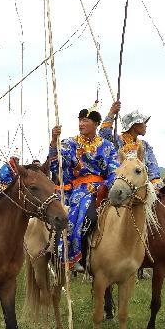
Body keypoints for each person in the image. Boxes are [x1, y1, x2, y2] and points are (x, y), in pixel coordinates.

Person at [49, 103, 119, 271]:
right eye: (80, 120)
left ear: (96, 124)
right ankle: (72, 253)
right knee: (78, 211)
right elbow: (56, 165)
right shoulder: (70, 143)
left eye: (85, 120)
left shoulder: (107, 146)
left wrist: (106, 186)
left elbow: (114, 171)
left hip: (102, 188)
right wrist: (54, 141)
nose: (81, 124)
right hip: (79, 189)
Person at [100, 102, 162, 186]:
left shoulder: (145, 146)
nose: (145, 126)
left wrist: (156, 185)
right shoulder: (116, 141)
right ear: (134, 126)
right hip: (119, 185)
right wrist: (112, 113)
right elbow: (104, 134)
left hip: (141, 186)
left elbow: (152, 167)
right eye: (144, 123)